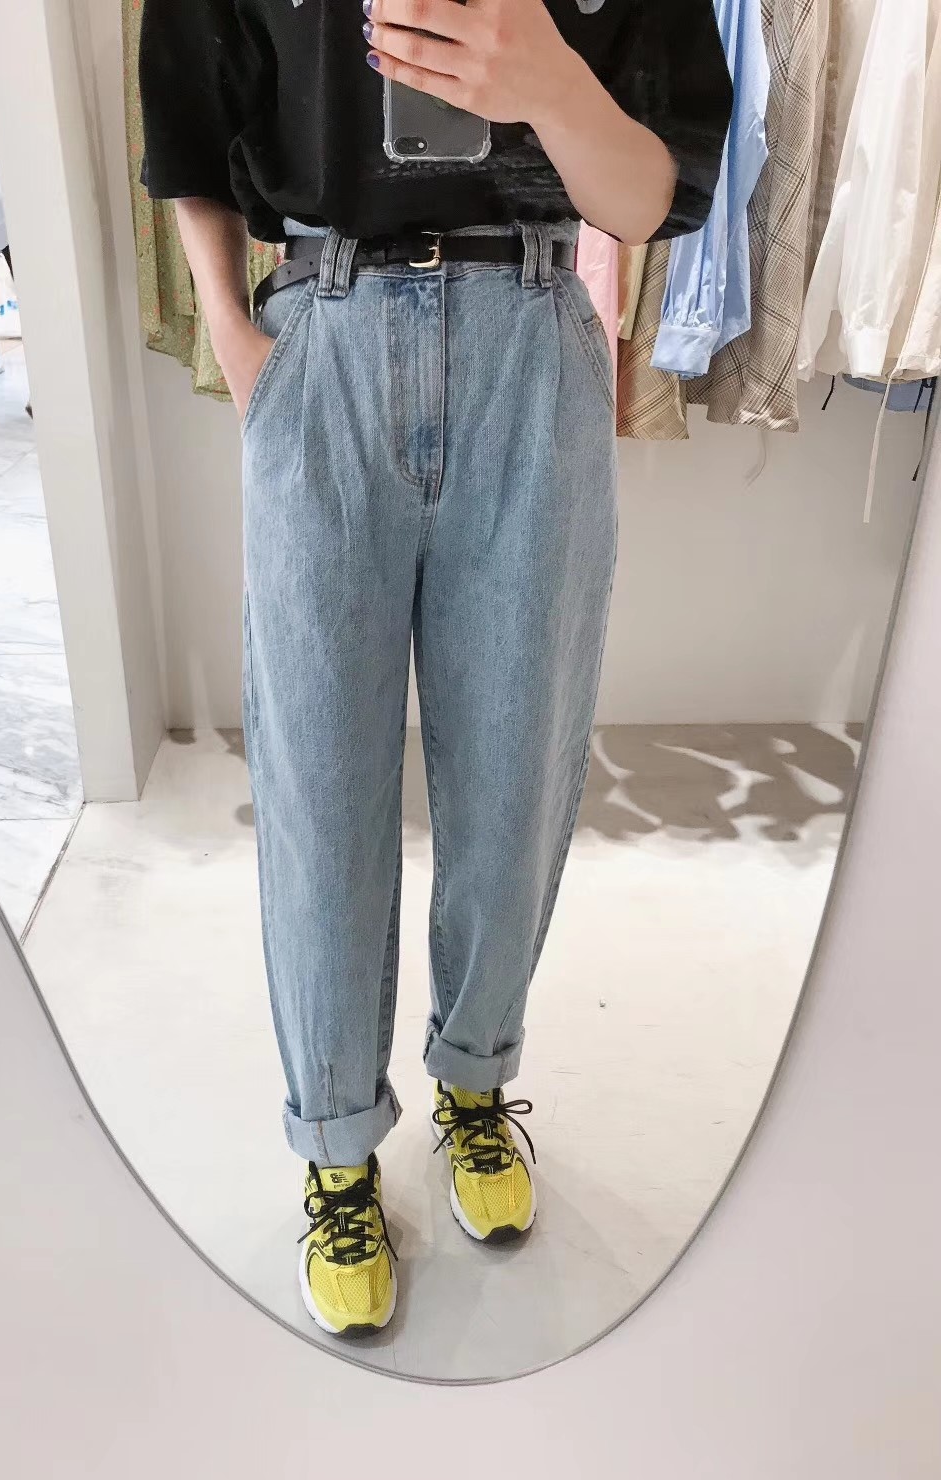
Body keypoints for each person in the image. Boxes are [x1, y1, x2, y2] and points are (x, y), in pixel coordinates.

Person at [140, 0, 732, 1337]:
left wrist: (550, 81)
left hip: (532, 332)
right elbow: (186, 120)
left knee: (517, 772)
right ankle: (337, 1145)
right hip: (325, 336)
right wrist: (235, 339)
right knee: (321, 788)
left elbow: (654, 196)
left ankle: (475, 1075)